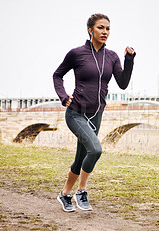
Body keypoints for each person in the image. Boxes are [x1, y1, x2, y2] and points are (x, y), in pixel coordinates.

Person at [53, 13, 136, 212]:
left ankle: (64, 194)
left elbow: (123, 84)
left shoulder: (112, 57)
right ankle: (81, 191)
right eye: (100, 28)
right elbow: (57, 75)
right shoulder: (77, 54)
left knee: (81, 157)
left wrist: (129, 60)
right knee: (96, 150)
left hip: (96, 114)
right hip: (76, 113)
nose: (105, 32)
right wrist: (63, 96)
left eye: (107, 28)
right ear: (90, 30)